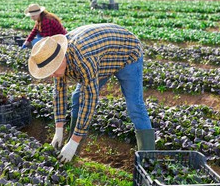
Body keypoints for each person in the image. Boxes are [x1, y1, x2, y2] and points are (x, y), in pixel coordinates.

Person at [28, 23, 155, 163]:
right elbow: (59, 94)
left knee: (135, 106)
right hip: (103, 59)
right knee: (77, 97)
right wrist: (58, 131)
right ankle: (72, 151)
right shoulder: (55, 56)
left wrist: (74, 141)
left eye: (52, 70)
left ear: (62, 59)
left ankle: (148, 158)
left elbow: (90, 100)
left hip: (127, 53)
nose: (51, 75)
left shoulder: (83, 58)